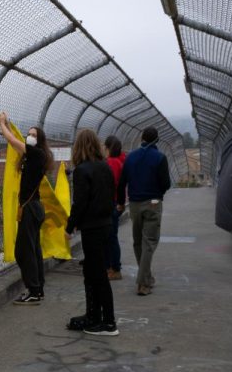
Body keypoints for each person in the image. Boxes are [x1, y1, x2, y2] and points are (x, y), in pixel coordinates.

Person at [0, 112, 55, 305]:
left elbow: (12, 140)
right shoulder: (38, 156)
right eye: (28, 134)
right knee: (33, 249)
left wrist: (2, 124)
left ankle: (33, 289)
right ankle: (37, 289)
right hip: (34, 207)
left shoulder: (36, 154)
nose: (29, 137)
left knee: (23, 251)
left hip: (30, 209)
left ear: (39, 140)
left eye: (33, 135)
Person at [65, 129, 118, 336]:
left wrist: (70, 227)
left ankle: (108, 322)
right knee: (93, 272)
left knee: (96, 275)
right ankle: (93, 315)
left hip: (92, 228)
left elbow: (79, 203)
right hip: (105, 225)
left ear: (78, 147)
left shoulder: (81, 170)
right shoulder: (104, 167)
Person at [117, 126, 171, 296]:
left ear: (142, 138)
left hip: (134, 204)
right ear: (157, 140)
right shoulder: (160, 158)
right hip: (153, 203)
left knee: (138, 241)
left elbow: (122, 182)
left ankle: (146, 276)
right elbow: (166, 184)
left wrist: (120, 203)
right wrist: (158, 193)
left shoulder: (130, 157)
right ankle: (143, 283)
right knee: (150, 242)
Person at [104, 136, 126, 281]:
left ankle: (114, 268)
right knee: (111, 237)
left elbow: (110, 184)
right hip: (116, 203)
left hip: (110, 203)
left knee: (110, 238)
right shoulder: (120, 162)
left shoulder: (111, 163)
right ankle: (112, 267)